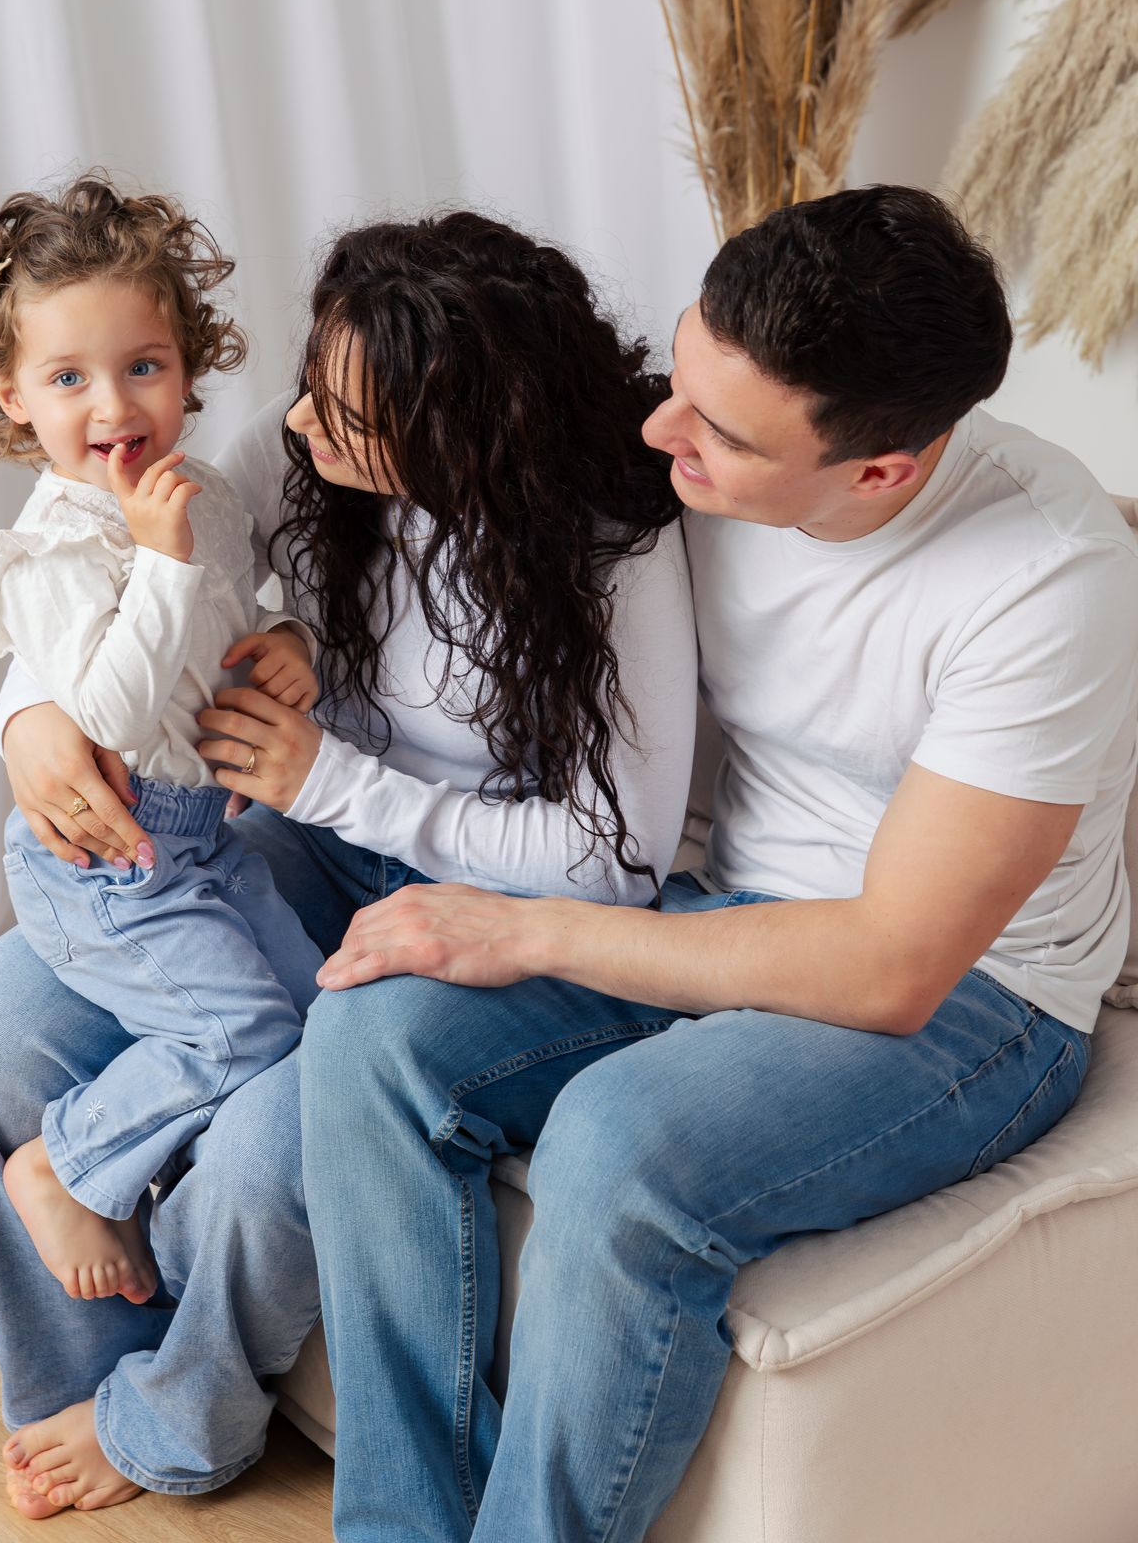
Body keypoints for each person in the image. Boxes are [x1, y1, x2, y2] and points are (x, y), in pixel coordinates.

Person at [297, 185, 1138, 1542]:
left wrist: (526, 929)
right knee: (371, 1039)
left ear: (881, 472)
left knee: (616, 1141)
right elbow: (391, 435)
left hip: (975, 1001)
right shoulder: (685, 444)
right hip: (726, 902)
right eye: (682, 378)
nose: (657, 431)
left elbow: (890, 966)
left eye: (720, 432)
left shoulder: (1047, 579)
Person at [0, 207, 697, 1516]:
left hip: (483, 902)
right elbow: (120, 585)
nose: (296, 426)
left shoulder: (606, 547)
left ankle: (183, 1416)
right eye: (308, 387)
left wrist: (330, 778)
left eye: (344, 414)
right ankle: (90, 1373)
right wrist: (27, 718)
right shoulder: (300, 461)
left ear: (460, 436)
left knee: (272, 1125)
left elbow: (613, 857)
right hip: (295, 847)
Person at [0, 173, 325, 1316]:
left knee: (313, 1015)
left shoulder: (207, 493)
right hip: (110, 863)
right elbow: (108, 712)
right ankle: (64, 1166)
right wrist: (158, 560)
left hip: (208, 839)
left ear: (188, 366)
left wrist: (287, 641)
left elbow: (238, 617)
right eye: (68, 378)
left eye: (142, 365)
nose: (113, 404)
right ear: (11, 396)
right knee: (241, 1032)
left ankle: (180, 1211)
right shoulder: (50, 550)